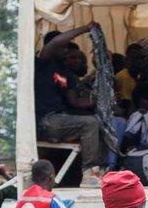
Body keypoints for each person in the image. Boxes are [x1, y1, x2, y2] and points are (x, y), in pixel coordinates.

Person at [35, 25, 109, 175]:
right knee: (90, 123)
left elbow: (74, 101)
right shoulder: (42, 64)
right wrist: (86, 28)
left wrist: (99, 102)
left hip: (62, 119)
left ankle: (103, 169)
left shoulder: (66, 72)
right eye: (63, 47)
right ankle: (89, 172)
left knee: (98, 122)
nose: (66, 51)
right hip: (46, 120)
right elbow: (55, 42)